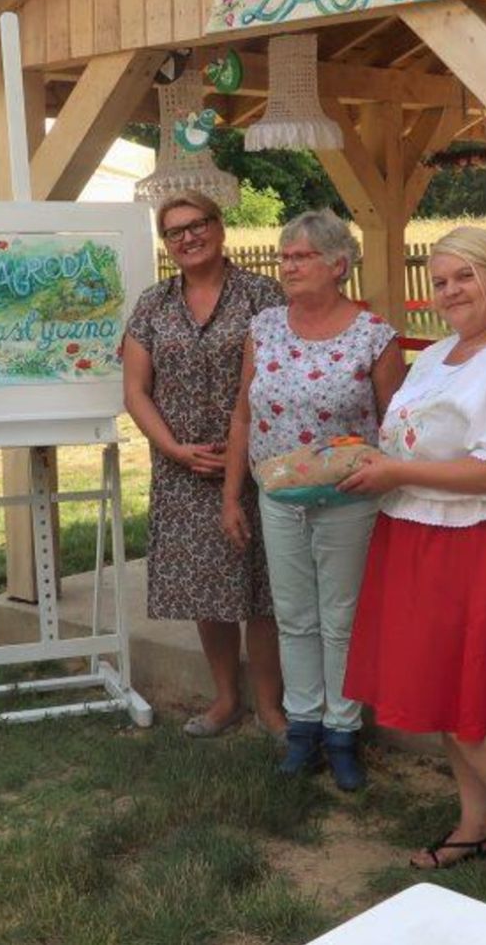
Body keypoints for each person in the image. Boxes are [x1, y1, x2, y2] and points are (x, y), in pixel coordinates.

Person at [339, 225, 486, 906]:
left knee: (473, 705)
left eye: (464, 276)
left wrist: (396, 470)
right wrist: (363, 460)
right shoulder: (440, 352)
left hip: (484, 540)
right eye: (440, 281)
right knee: (441, 690)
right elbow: (414, 437)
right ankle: (479, 822)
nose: (450, 292)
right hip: (416, 530)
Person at [223, 209, 405, 790]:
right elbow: (244, 414)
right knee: (294, 615)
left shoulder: (374, 335)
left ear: (338, 265)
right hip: (278, 497)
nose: (288, 266)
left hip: (349, 499)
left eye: (301, 256)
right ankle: (303, 729)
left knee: (342, 618)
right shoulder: (265, 327)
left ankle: (343, 730)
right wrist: (233, 494)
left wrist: (383, 477)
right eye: (285, 256)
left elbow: (396, 424)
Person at [123, 194, 287, 739]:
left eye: (197, 226)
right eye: (174, 232)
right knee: (206, 589)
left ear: (219, 228)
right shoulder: (152, 304)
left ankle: (271, 705)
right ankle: (225, 700)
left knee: (262, 589)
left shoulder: (264, 296)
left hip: (259, 463)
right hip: (182, 469)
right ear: (166, 244)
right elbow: (136, 391)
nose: (187, 238)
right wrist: (173, 449)